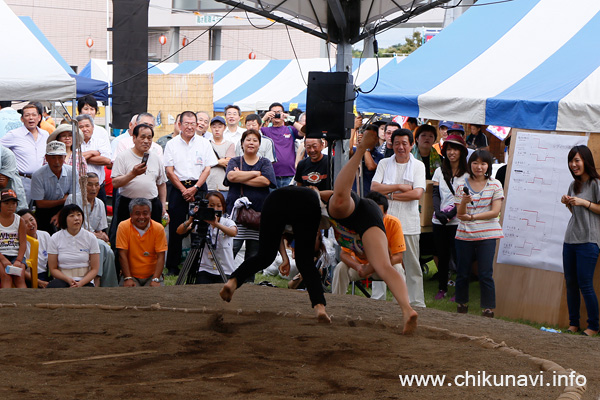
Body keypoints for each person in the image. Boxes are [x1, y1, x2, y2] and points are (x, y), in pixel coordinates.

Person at [220, 127, 418, 334]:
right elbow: (381, 263)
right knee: (340, 207)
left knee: (337, 204)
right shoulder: (323, 223)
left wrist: (287, 258)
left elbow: (281, 237)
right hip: (345, 210)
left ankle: (233, 281)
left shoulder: (321, 226)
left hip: (294, 202)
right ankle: (404, 310)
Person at [371, 129, 427, 308]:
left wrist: (390, 195)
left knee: (412, 264)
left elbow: (417, 193)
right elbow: (374, 188)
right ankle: (378, 298)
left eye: (404, 143)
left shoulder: (418, 165)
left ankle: (416, 302)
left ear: (412, 144)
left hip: (408, 221)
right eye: (397, 143)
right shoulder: (384, 163)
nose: (401, 147)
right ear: (391, 144)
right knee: (381, 260)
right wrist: (400, 187)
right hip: (384, 220)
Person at [164, 111, 218, 275]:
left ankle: (197, 265)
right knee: (176, 227)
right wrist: (183, 189)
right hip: (177, 188)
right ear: (179, 125)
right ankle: (172, 266)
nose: (189, 126)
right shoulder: (172, 144)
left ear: (197, 125)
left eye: (192, 123)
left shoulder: (204, 143)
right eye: (186, 123)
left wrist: (195, 188)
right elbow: (169, 170)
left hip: (199, 187)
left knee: (200, 226)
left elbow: (207, 168)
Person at [455, 150, 504, 317]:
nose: (479, 167)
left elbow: (495, 211)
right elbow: (459, 214)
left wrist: (472, 217)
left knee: (485, 273)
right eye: (475, 163)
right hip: (464, 234)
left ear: (488, 165)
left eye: (483, 163)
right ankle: (461, 306)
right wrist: (464, 202)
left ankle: (488, 309)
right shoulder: (462, 185)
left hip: (488, 234)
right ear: (470, 164)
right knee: (462, 272)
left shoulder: (495, 184)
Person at [331, 191, 406, 298]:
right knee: (340, 268)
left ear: (386, 213)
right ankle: (336, 302)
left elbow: (398, 257)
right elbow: (344, 254)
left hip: (383, 266)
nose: (374, 217)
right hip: (361, 266)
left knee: (398, 269)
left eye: (377, 214)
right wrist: (358, 267)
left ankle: (401, 307)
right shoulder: (354, 222)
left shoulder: (394, 223)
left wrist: (373, 267)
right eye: (370, 213)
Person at [560, 145, 600, 336]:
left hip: (589, 240)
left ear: (586, 160)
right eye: (571, 161)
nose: (573, 164)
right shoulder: (573, 185)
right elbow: (576, 213)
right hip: (570, 239)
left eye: (577, 160)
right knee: (571, 283)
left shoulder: (596, 183)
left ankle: (593, 326)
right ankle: (573, 324)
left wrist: (584, 202)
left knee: (585, 283)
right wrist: (569, 203)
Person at [225, 130, 276, 275]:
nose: (251, 143)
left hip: (258, 214)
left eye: (255, 140)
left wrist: (241, 176)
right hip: (237, 214)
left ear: (259, 144)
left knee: (253, 252)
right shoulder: (235, 161)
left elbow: (266, 181)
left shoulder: (265, 162)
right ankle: (226, 278)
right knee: (232, 249)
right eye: (248, 140)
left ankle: (248, 282)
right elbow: (231, 177)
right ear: (242, 143)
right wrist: (255, 173)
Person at [431, 135, 469, 300]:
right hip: (439, 220)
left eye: (455, 149)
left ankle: (460, 290)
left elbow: (466, 197)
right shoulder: (439, 171)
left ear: (461, 151)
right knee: (442, 255)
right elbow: (435, 193)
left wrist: (451, 214)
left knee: (460, 256)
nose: (451, 152)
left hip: (458, 220)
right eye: (448, 149)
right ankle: (442, 288)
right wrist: (438, 212)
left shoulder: (468, 174)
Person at [65, 172, 117, 287]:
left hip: (93, 240)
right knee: (101, 247)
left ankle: (106, 284)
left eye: (97, 185)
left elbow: (101, 230)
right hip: (74, 239)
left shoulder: (100, 203)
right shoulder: (73, 199)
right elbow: (71, 227)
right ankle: (97, 282)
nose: (94, 188)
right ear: (82, 185)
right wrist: (96, 236)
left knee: (108, 251)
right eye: (90, 185)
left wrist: (99, 235)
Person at [111, 123, 168, 225]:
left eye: (149, 138)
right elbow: (115, 183)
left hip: (152, 204)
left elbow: (161, 184)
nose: (146, 141)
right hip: (128, 205)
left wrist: (163, 205)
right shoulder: (122, 157)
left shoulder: (156, 158)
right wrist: (133, 174)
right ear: (134, 138)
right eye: (142, 137)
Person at [176, 191, 237, 283]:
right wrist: (189, 221)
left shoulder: (227, 222)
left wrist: (216, 224)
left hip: (225, 269)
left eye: (219, 206)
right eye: (211, 205)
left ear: (223, 208)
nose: (215, 209)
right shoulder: (200, 223)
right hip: (204, 269)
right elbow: (179, 231)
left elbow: (233, 232)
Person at [0, 102, 50, 200]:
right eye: (27, 115)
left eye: (34, 115)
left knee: (39, 211)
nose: (31, 118)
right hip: (22, 180)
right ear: (22, 119)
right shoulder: (14, 134)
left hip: (41, 181)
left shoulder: (45, 134)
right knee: (23, 210)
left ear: (39, 117)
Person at [116, 198, 168, 287]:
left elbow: (161, 256)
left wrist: (155, 279)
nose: (141, 217)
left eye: (145, 213)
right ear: (131, 214)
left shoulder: (158, 228)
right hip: (131, 275)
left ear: (150, 214)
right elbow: (122, 254)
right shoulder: (123, 226)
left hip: (152, 275)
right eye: (137, 213)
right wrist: (128, 277)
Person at [46, 204, 100, 288]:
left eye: (79, 215)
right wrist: (68, 280)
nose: (76, 218)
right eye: (72, 216)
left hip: (84, 280)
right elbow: (53, 269)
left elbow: (95, 269)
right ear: (64, 219)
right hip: (62, 279)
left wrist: (81, 283)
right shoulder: (55, 238)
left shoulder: (90, 237)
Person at [30, 141, 79, 233]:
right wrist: (63, 200)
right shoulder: (38, 175)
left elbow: (74, 198)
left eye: (60, 157)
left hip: (66, 208)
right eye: (53, 158)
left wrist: (60, 213)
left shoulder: (72, 172)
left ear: (64, 157)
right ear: (47, 158)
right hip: (44, 212)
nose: (56, 162)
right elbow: (40, 203)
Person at [260, 102, 305, 187]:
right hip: (271, 175)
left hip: (290, 174)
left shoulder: (290, 129)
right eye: (274, 113)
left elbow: (303, 132)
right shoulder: (265, 130)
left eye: (279, 112)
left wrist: (289, 118)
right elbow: (253, 133)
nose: (276, 115)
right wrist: (264, 118)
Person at [76, 114, 112, 205]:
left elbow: (107, 160)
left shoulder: (100, 142)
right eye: (81, 127)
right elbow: (73, 159)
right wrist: (92, 152)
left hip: (99, 187)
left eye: (87, 126)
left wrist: (82, 157)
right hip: (79, 188)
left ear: (92, 127)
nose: (84, 129)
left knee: (99, 214)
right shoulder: (73, 143)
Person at [18, 209, 51, 288]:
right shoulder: (18, 240)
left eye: (31, 220)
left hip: (45, 275)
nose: (30, 224)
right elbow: (20, 268)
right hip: (27, 277)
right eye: (25, 223)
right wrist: (38, 282)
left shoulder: (45, 235)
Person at [0, 189, 27, 288]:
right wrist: (3, 259)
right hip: (1, 255)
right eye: (6, 203)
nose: (10, 206)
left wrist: (19, 260)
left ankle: (25, 302)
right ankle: (6, 302)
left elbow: (23, 243)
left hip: (16, 255)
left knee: (19, 277)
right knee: (5, 276)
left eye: (13, 203)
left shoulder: (20, 221)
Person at [206, 116, 235, 197]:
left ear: (224, 128)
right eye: (214, 126)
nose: (217, 129)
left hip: (224, 186)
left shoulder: (230, 144)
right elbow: (203, 163)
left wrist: (211, 162)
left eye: (220, 126)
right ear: (211, 127)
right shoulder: (205, 144)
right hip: (208, 184)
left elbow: (227, 162)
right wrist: (219, 162)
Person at [0, 145, 27, 210]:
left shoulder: (6, 154)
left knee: (20, 218)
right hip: (3, 203)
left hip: (13, 200)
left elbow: (3, 183)